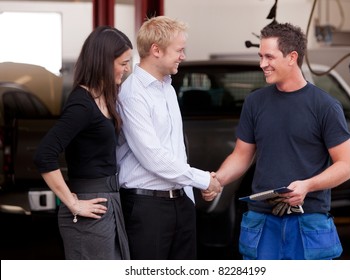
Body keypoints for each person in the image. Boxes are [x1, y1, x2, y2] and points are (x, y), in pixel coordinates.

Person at [203, 22, 350, 260]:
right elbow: (242, 155)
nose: (262, 64)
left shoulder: (325, 106)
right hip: (262, 222)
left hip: (309, 223)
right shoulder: (255, 103)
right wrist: (217, 181)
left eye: (269, 57)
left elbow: (346, 166)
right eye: (261, 56)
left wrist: (307, 185)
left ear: (292, 57)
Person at [116, 15, 222, 260]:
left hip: (180, 203)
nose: (183, 56)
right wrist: (202, 179)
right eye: (179, 50)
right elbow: (153, 157)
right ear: (156, 50)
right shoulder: (133, 94)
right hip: (148, 209)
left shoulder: (168, 88)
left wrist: (192, 188)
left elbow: (175, 149)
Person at [34, 26, 133, 260]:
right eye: (123, 63)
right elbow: (44, 155)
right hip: (90, 207)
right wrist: (73, 204)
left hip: (109, 202)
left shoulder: (105, 97)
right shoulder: (82, 104)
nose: (128, 69)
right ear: (104, 62)